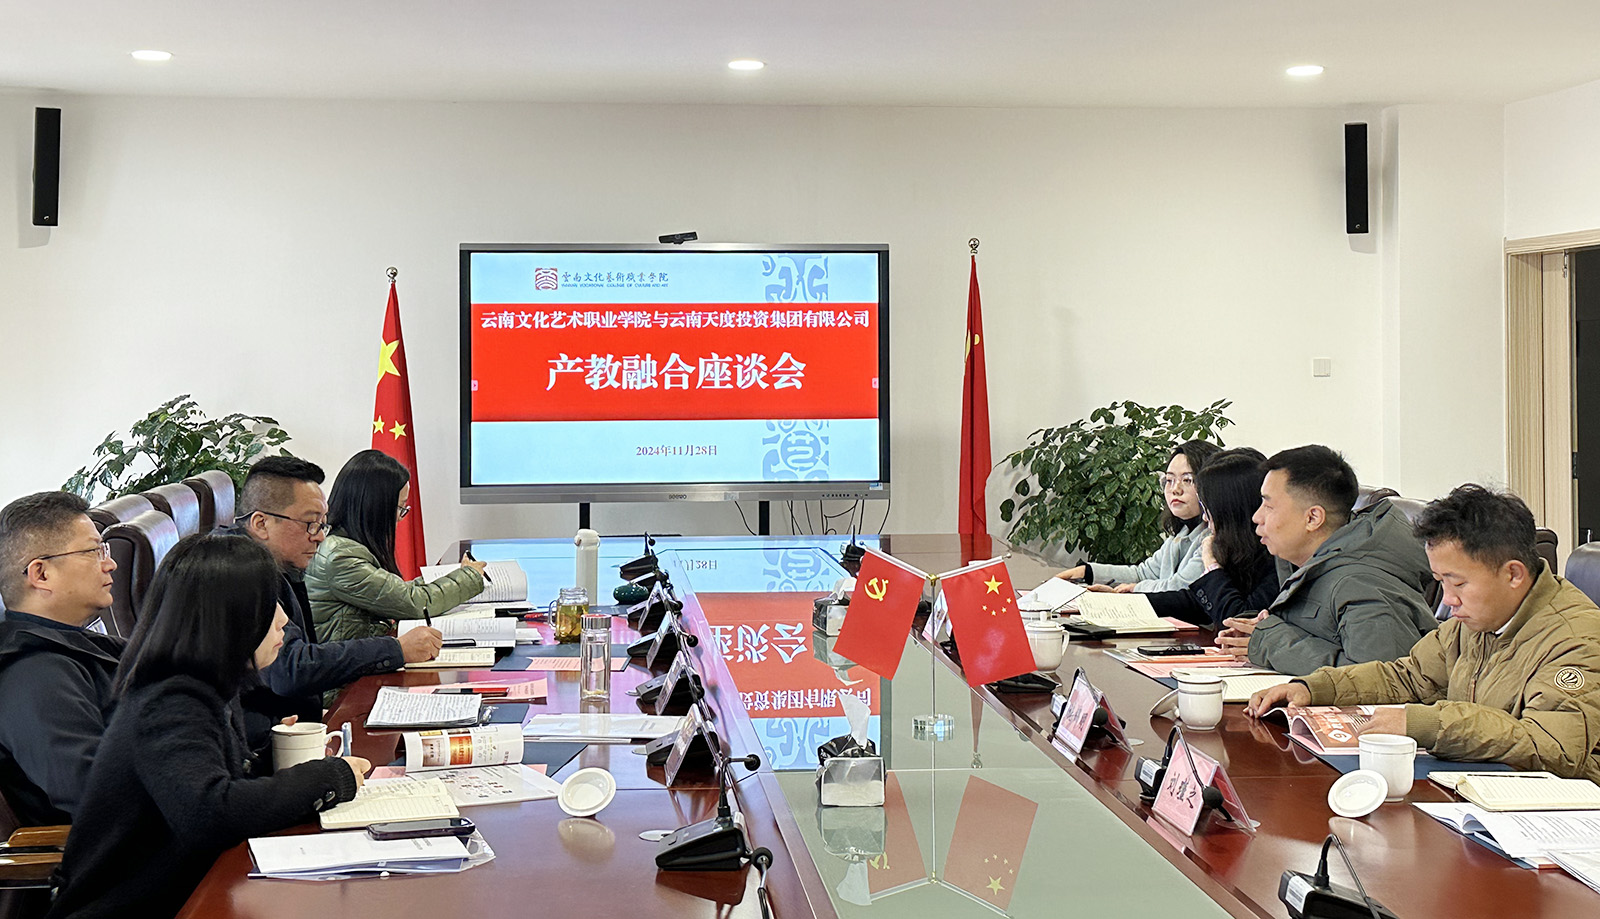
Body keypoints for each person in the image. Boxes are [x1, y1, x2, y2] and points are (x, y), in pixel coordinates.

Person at [46, 533, 369, 919]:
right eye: (269, 606)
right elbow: (210, 814)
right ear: (228, 617)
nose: (284, 620)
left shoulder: (205, 684)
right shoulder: (169, 701)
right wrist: (327, 777)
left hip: (189, 893)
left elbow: (204, 785)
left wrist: (267, 761)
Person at [1247, 485, 1600, 779]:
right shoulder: (1476, 620)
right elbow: (1408, 676)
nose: (1448, 600)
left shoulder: (1577, 639)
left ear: (1513, 574)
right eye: (1440, 581)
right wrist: (1314, 688)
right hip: (1479, 787)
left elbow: (1552, 746)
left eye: (1458, 582)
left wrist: (1426, 723)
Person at [229, 456, 443, 747]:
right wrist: (395, 649)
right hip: (262, 746)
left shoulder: (277, 565)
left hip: (294, 726)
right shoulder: (237, 574)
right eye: (310, 524)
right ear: (261, 523)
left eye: (322, 524)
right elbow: (291, 669)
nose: (319, 537)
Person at [1218, 445, 1436, 675]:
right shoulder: (1312, 565)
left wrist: (1271, 643)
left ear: (1313, 518)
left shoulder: (1362, 585)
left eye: (1269, 506)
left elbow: (1379, 679)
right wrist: (1262, 631)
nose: (1256, 517)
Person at [0, 492, 123, 825]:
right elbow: (98, 795)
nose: (109, 563)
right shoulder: (32, 674)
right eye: (93, 551)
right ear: (41, 574)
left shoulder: (70, 640)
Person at [307, 450, 487, 642]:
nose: (400, 519)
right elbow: (414, 602)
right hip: (350, 660)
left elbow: (394, 592)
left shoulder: (342, 545)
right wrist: (469, 577)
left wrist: (449, 575)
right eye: (400, 508)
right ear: (376, 507)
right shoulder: (340, 556)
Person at [1056, 439, 1221, 592]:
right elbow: (1143, 573)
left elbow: (1180, 588)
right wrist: (1087, 572)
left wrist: (1135, 589)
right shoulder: (1181, 534)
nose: (1175, 489)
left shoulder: (1214, 538)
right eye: (1169, 480)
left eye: (1188, 480)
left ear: (1211, 484)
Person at [1146, 448, 1278, 627]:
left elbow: (1237, 618)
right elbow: (1195, 603)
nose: (1205, 518)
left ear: (1230, 514)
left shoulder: (1277, 560)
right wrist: (1128, 602)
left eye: (1209, 510)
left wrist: (1211, 565)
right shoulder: (1239, 550)